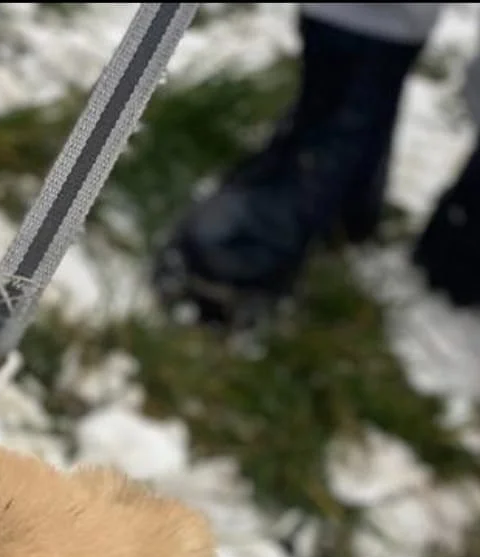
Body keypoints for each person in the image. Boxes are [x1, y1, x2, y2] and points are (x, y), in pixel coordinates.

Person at [155, 3, 480, 320]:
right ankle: (221, 270)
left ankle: (347, 224)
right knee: (325, 146)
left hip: (381, 24)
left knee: (349, 134)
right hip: (371, 21)